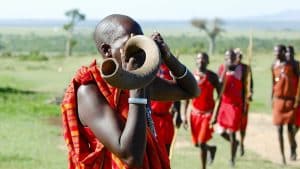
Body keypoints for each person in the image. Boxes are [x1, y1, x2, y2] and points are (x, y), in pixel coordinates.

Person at [60, 14, 199, 169]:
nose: (140, 50)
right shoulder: (89, 90)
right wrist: (137, 85)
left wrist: (168, 56)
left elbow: (190, 90)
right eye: (131, 43)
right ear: (107, 50)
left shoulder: (139, 80)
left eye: (141, 41)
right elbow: (131, 156)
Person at [183, 52, 220, 169]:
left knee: (201, 142)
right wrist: (184, 115)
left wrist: (215, 115)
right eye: (199, 58)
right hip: (194, 114)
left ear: (208, 62)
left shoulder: (213, 77)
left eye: (204, 59)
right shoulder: (191, 76)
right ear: (196, 61)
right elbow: (186, 97)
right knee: (196, 144)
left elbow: (220, 97)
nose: (201, 61)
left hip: (208, 114)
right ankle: (211, 149)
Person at [271, 44, 297, 164]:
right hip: (278, 101)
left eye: (278, 52)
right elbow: (273, 84)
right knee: (279, 129)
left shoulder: (292, 65)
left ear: (283, 52)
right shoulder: (273, 66)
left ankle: (293, 147)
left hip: (290, 101)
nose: (276, 54)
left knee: (290, 129)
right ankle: (282, 157)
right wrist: (271, 98)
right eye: (274, 52)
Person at [216, 49, 242, 166]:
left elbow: (244, 84)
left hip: (235, 106)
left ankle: (232, 158)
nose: (230, 58)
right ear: (225, 57)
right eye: (227, 56)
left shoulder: (240, 68)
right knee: (221, 132)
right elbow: (219, 83)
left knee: (232, 132)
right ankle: (235, 143)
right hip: (224, 105)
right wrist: (225, 69)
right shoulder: (222, 68)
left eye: (232, 56)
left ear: (235, 57)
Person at [150, 63, 182, 155]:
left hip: (166, 117)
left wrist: (178, 113)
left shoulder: (171, 69)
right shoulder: (148, 67)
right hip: (150, 118)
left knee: (166, 151)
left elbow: (176, 91)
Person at [234, 48, 254, 156]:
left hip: (243, 101)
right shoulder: (230, 68)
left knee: (243, 124)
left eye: (240, 56)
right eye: (236, 55)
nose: (238, 58)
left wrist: (250, 93)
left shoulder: (246, 68)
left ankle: (241, 143)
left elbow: (250, 84)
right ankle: (235, 144)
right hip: (233, 102)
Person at [285, 45, 299, 161]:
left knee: (297, 125)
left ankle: (293, 141)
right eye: (286, 53)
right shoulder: (284, 67)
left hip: (298, 100)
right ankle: (292, 150)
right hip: (288, 101)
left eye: (290, 52)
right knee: (289, 126)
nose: (288, 55)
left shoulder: (297, 65)